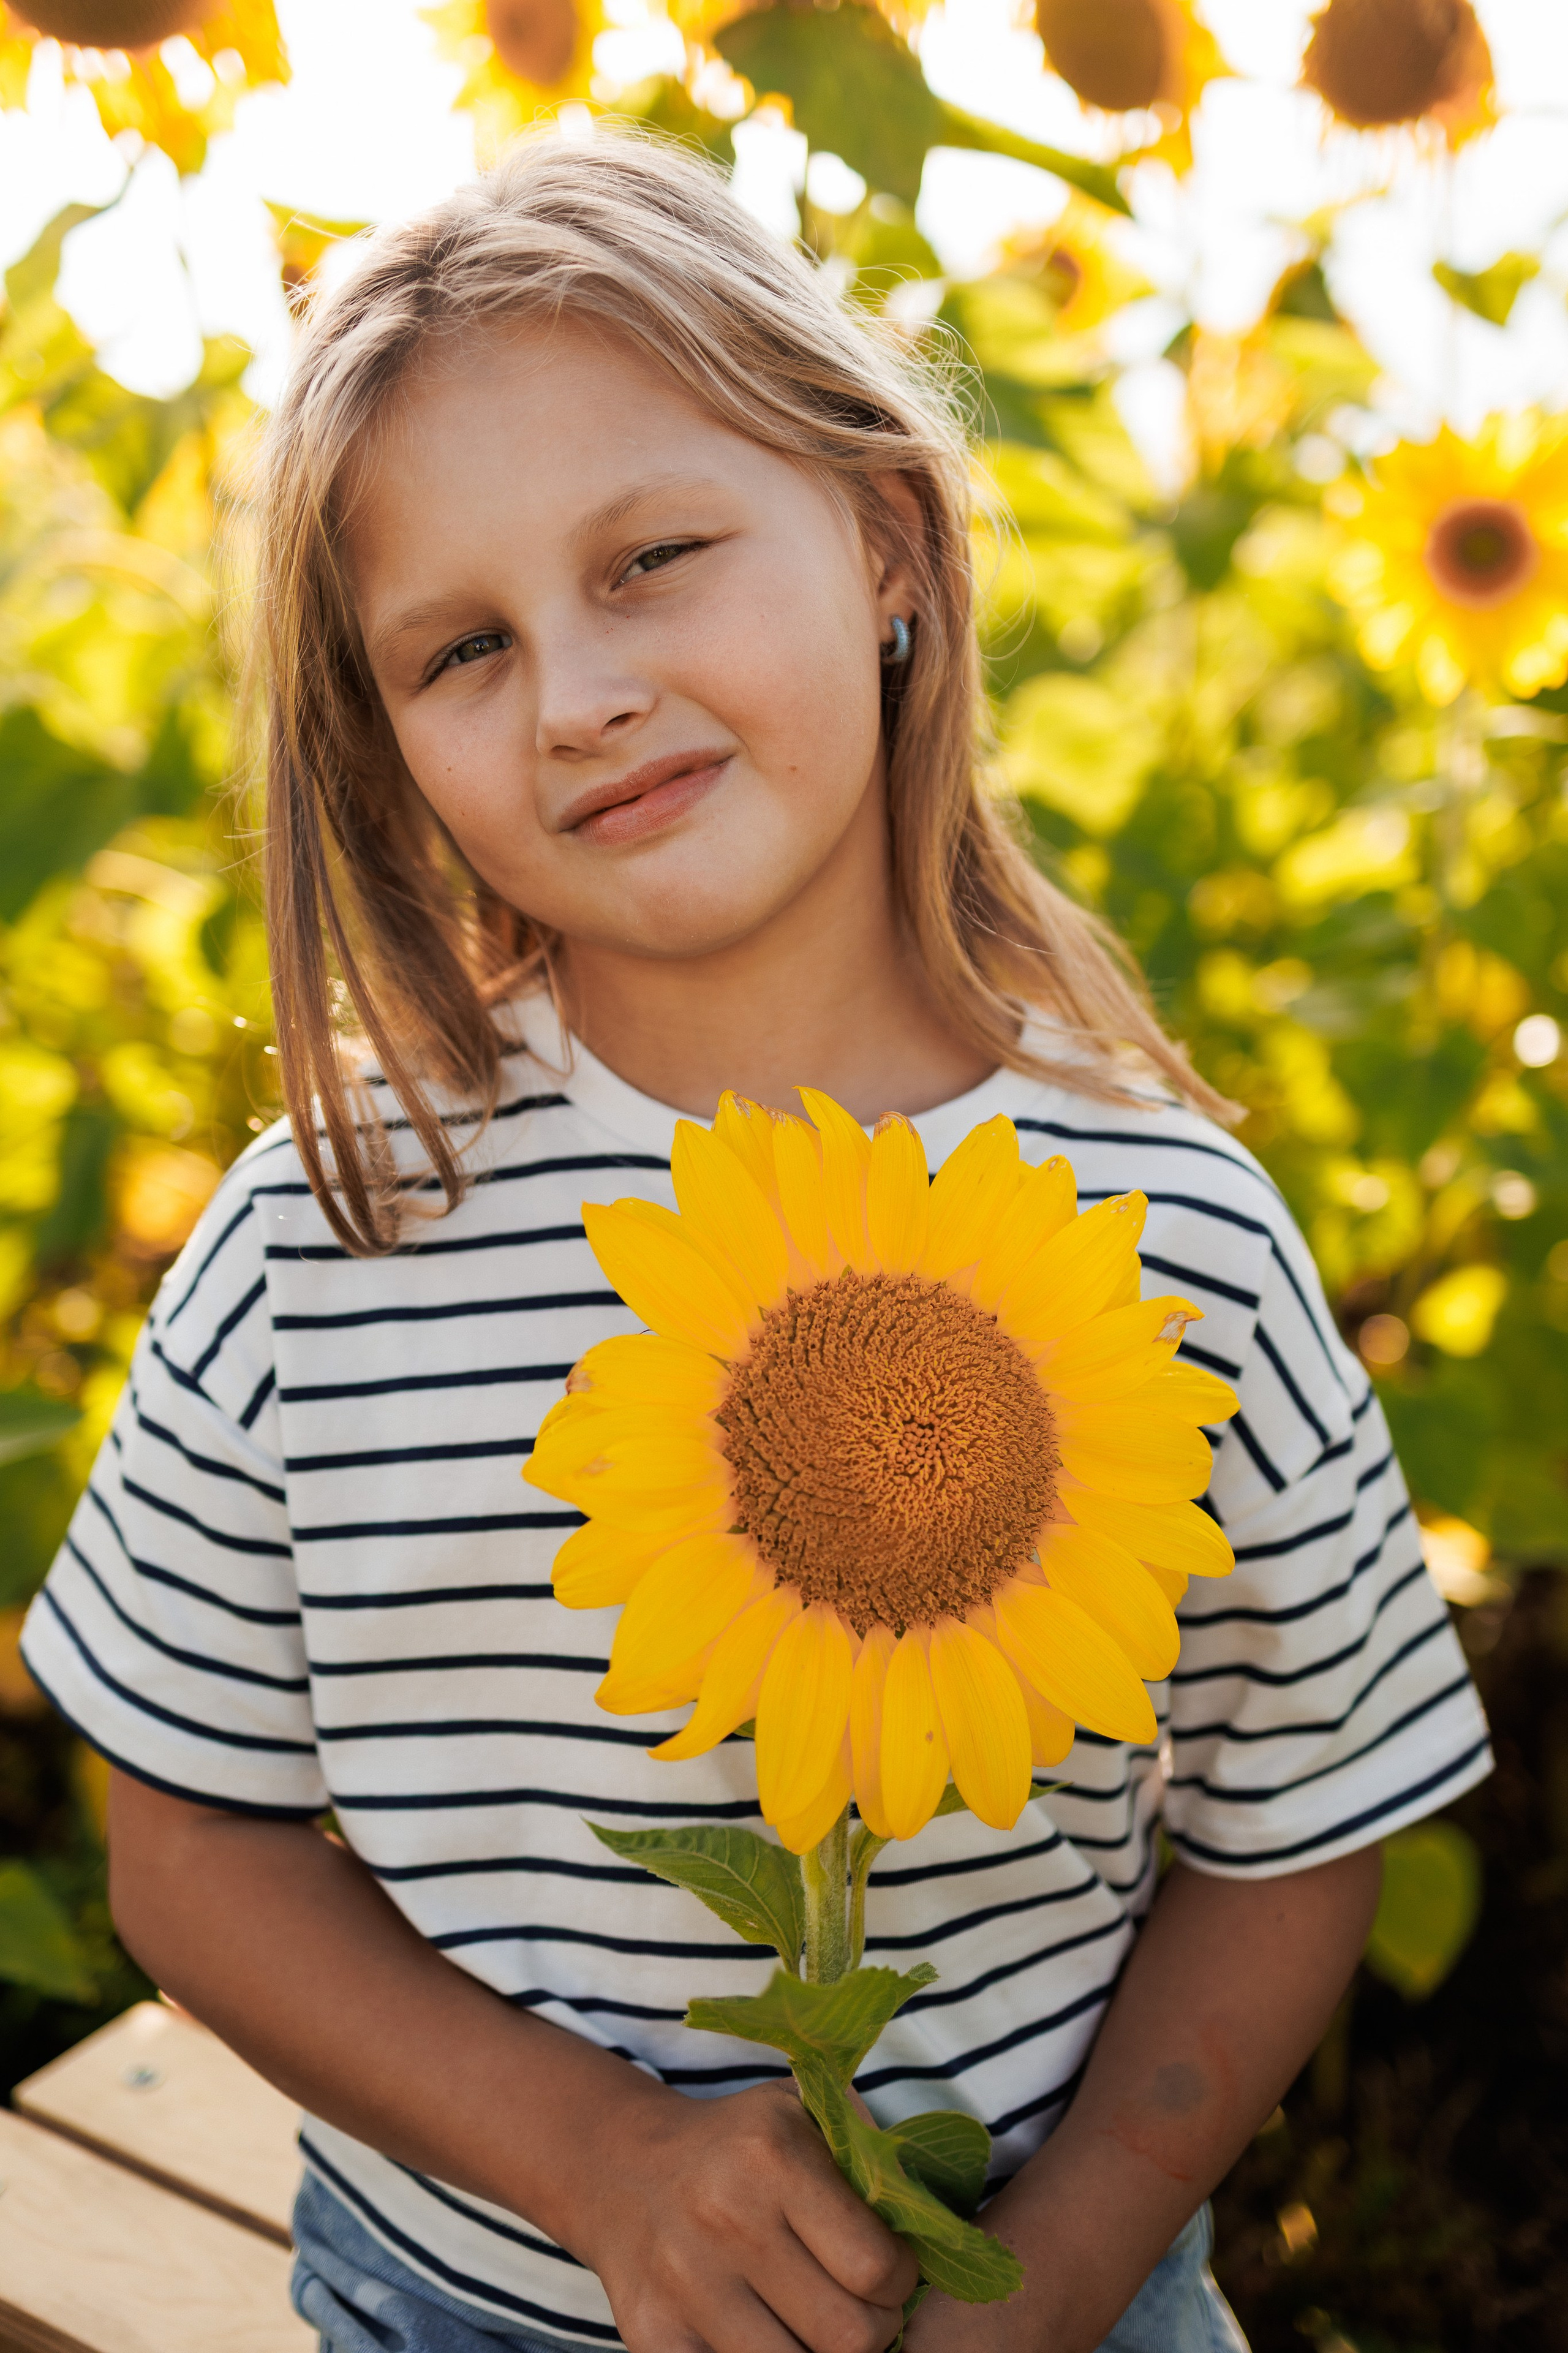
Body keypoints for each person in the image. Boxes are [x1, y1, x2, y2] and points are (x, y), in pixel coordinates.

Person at [22, 130, 1490, 2353]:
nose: (579, 695)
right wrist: (597, 2159)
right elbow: (187, 1845)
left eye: (656, 557)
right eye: (462, 649)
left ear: (887, 537)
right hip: (470, 2301)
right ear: (390, 744)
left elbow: (1304, 1820)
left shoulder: (1172, 1227)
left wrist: (1078, 2248)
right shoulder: (330, 1243)